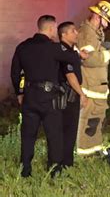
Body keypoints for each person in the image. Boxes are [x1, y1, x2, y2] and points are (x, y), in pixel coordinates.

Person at [10, 15, 85, 178]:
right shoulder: (54, 48)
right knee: (54, 135)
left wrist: (20, 93)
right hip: (50, 98)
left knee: (28, 135)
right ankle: (55, 171)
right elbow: (71, 58)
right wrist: (79, 53)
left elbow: (16, 73)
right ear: (51, 29)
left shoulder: (22, 47)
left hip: (29, 97)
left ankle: (25, 170)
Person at [76, 0, 110, 156]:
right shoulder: (86, 33)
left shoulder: (95, 33)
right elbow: (88, 59)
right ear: (98, 15)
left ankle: (95, 149)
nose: (108, 24)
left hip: (98, 87)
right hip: (90, 88)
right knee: (87, 121)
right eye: (106, 20)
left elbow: (95, 53)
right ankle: (84, 152)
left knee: (96, 120)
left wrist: (104, 49)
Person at [57, 21, 88, 167]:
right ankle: (65, 163)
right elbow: (70, 75)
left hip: (68, 94)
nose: (77, 33)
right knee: (68, 129)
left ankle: (66, 162)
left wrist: (79, 55)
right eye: (73, 31)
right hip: (67, 95)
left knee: (69, 130)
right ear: (64, 34)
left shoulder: (69, 51)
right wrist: (81, 94)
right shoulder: (64, 52)